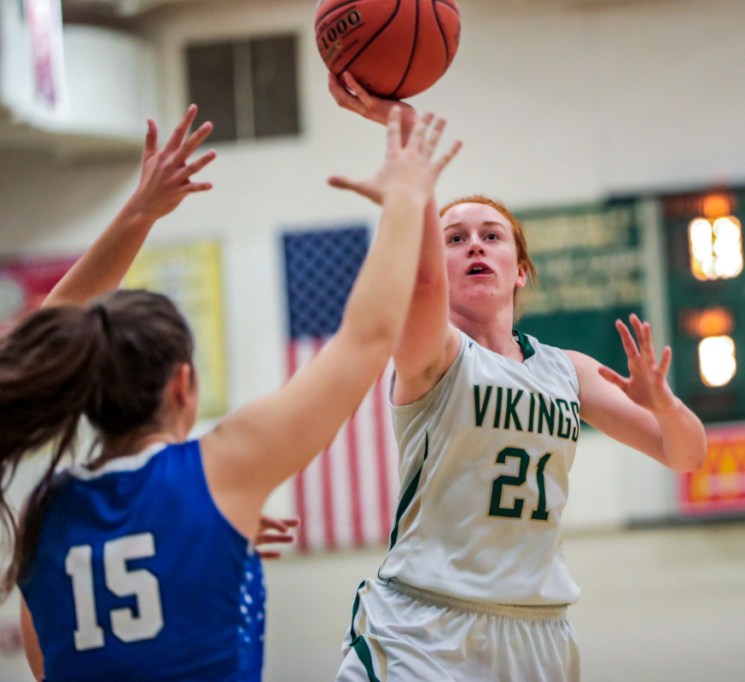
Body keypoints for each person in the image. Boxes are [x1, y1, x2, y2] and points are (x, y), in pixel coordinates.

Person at [3, 103, 460, 681]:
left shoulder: (46, 508)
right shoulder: (219, 470)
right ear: (182, 385)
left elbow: (47, 667)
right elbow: (367, 339)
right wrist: (406, 196)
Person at [329, 73, 707, 682]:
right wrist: (412, 165)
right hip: (425, 626)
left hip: (539, 632)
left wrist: (664, 404)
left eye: (491, 235)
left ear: (520, 270)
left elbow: (686, 455)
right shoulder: (434, 354)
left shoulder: (567, 369)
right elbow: (419, 284)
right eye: (455, 239)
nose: (474, 245)